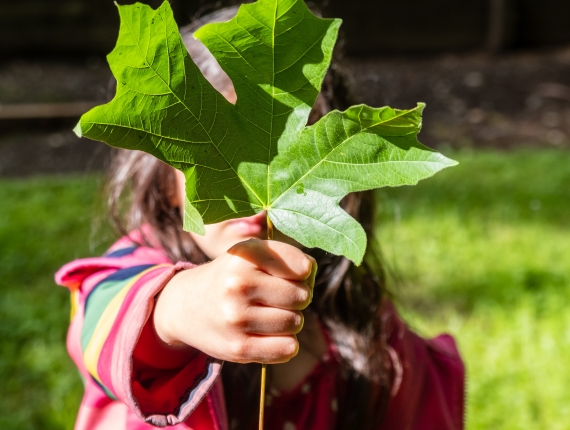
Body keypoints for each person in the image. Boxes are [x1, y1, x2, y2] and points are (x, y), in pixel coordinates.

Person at [55, 7, 464, 430]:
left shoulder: (363, 322)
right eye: (222, 161)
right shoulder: (133, 269)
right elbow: (102, 323)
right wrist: (180, 310)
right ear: (165, 181)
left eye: (285, 160)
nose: (254, 196)